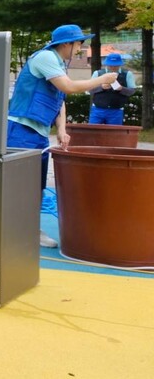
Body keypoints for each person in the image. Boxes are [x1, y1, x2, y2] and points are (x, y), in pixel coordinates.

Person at [7, 24, 118, 248]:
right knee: (19, 186)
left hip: (37, 132)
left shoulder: (58, 63)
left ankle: (30, 231)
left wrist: (62, 129)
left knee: (36, 185)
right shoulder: (46, 57)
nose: (79, 48)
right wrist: (101, 80)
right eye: (79, 43)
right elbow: (68, 87)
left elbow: (60, 99)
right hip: (20, 130)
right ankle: (11, 232)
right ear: (67, 43)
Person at [88, 52, 136, 125]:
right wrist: (101, 87)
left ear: (120, 64)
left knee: (114, 135)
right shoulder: (98, 73)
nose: (113, 67)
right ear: (107, 64)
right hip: (98, 109)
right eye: (111, 65)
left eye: (115, 65)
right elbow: (90, 89)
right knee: (92, 132)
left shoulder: (127, 74)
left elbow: (132, 91)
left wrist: (121, 89)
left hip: (116, 110)